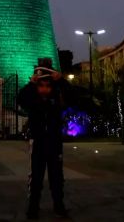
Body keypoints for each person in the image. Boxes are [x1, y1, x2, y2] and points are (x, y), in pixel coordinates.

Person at [17, 58, 71, 219]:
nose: (44, 90)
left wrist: (61, 81)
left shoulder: (57, 100)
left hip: (54, 144)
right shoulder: (33, 101)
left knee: (57, 177)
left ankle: (59, 205)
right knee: (36, 178)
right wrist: (31, 85)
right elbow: (20, 99)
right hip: (39, 143)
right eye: (41, 86)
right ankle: (33, 207)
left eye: (47, 86)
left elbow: (72, 96)